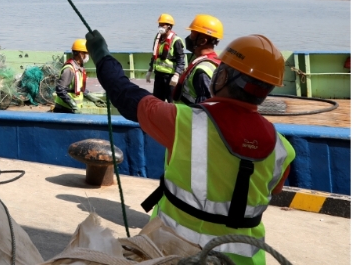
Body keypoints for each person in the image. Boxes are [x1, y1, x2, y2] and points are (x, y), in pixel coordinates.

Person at [85, 30, 295, 265]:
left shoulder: (183, 121)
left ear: (223, 77)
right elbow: (272, 189)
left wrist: (101, 55)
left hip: (175, 251)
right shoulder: (283, 148)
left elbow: (125, 94)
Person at [174, 14, 223, 106]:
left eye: (192, 34)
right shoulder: (213, 60)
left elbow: (203, 111)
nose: (189, 38)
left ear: (202, 41)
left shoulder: (202, 71)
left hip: (187, 119)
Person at [147, 13, 186, 102]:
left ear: (169, 26)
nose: (160, 27)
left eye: (162, 25)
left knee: (171, 102)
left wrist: (177, 74)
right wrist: (150, 70)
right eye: (159, 25)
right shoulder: (157, 38)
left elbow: (181, 59)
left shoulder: (176, 41)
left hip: (170, 77)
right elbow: (154, 55)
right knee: (157, 101)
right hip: (158, 76)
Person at [53, 39, 88, 113]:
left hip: (72, 109)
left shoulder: (79, 68)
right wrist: (73, 105)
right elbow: (60, 89)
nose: (88, 55)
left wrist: (90, 96)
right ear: (80, 54)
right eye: (86, 53)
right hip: (64, 110)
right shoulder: (69, 69)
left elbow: (78, 88)